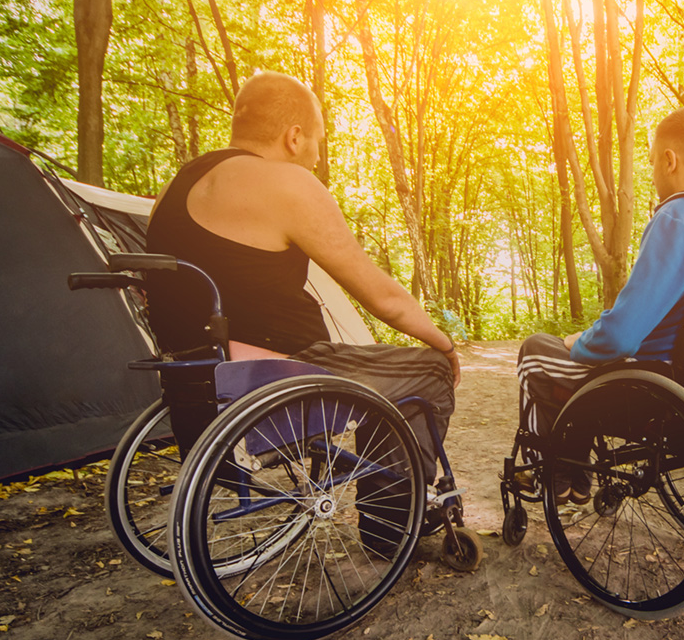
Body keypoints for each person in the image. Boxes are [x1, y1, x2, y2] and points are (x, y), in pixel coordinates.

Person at [145, 71, 459, 508]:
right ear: (294, 137)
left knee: (389, 370)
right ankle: (396, 522)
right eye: (317, 140)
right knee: (429, 372)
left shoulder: (174, 188)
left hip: (197, 389)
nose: (315, 155)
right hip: (276, 381)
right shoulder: (287, 183)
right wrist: (443, 345)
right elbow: (381, 297)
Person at [516, 107, 684, 502]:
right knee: (587, 360)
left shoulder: (681, 218)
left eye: (655, 162)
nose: (655, 173)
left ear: (670, 160)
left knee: (537, 352)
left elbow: (621, 338)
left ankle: (552, 475)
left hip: (659, 388)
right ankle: (572, 467)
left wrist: (582, 341)